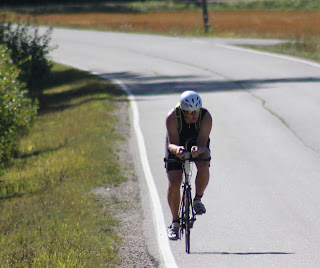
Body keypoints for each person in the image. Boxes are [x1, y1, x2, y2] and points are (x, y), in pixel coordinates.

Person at [164, 90, 212, 240]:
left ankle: (197, 199)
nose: (194, 114)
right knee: (174, 183)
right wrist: (177, 150)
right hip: (177, 144)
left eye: (196, 111)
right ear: (184, 111)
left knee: (204, 164)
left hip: (196, 142)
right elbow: (171, 143)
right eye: (190, 112)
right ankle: (175, 223)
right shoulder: (172, 116)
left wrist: (198, 149)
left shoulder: (205, 117)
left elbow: (203, 142)